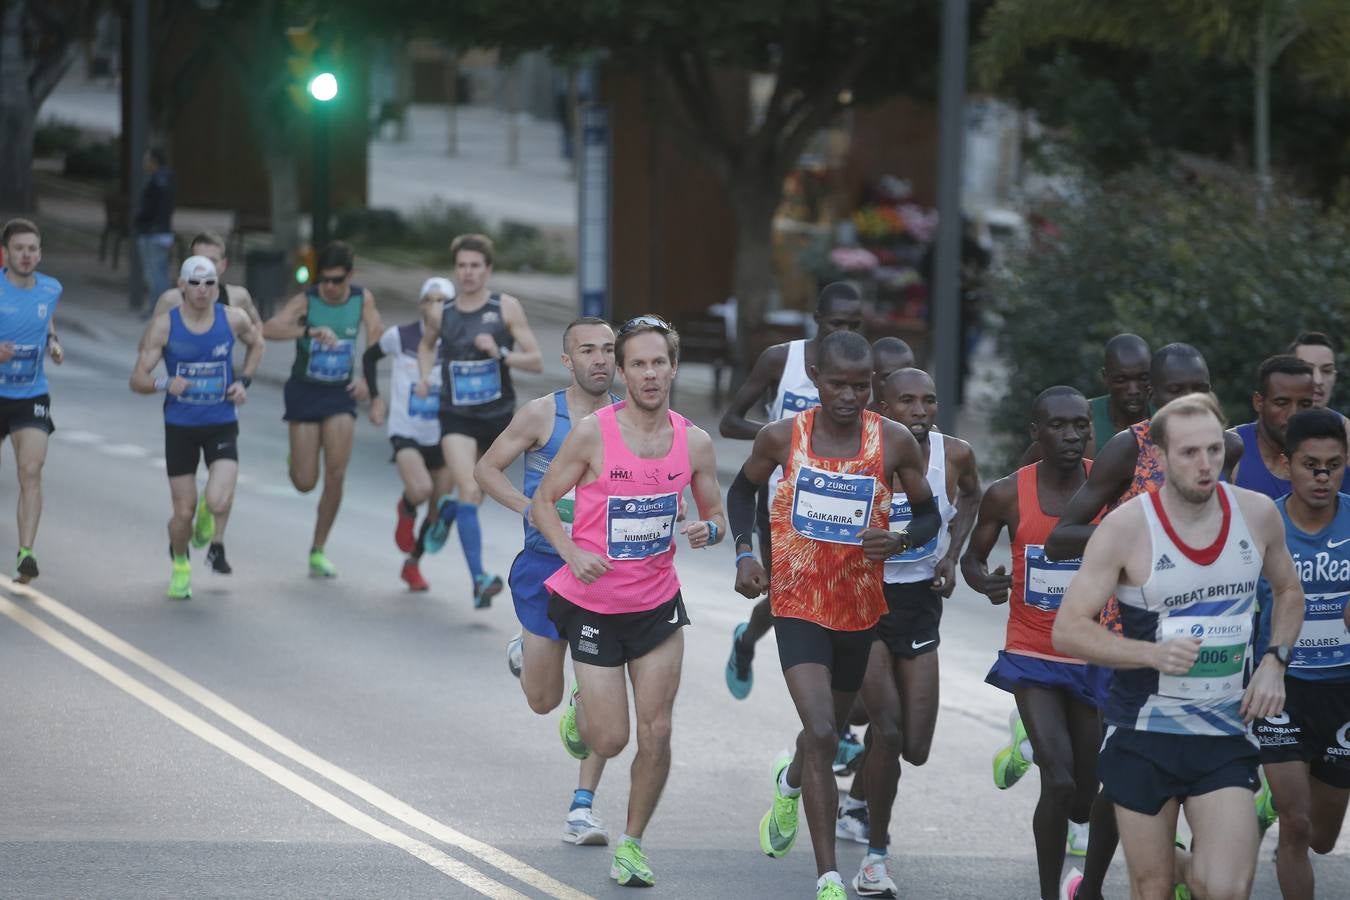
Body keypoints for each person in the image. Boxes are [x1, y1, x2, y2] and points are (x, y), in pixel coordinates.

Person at [1053, 393, 1304, 900]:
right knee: (1153, 887)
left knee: (1225, 888)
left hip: (1224, 727)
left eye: (1214, 450)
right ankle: (1172, 865)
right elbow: (1069, 629)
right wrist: (1149, 655)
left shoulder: (1256, 515)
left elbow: (1289, 591)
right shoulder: (1125, 528)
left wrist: (1275, 662)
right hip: (1143, 729)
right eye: (1189, 452)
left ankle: (1192, 867)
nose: (1205, 464)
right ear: (1160, 458)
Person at [727, 330, 940, 900]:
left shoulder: (893, 441)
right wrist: (747, 553)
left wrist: (897, 540)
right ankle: (828, 877)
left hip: (859, 608)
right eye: (838, 384)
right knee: (822, 730)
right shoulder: (782, 436)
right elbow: (741, 492)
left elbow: (928, 516)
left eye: (860, 385)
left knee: (824, 732)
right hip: (796, 602)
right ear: (816, 378)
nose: (849, 396)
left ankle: (790, 781)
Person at [529, 315, 726, 888]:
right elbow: (544, 501)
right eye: (636, 363)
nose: (648, 373)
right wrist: (569, 552)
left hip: (657, 604)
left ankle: (633, 843)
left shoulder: (694, 442)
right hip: (592, 604)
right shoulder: (593, 432)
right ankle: (584, 707)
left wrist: (707, 533)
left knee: (657, 731)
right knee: (610, 738)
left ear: (672, 368)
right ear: (621, 370)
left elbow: (716, 517)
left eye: (657, 362)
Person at [1042, 343, 1244, 900]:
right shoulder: (1126, 449)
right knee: (1127, 773)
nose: (1189, 401)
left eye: (1198, 388)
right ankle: (1102, 885)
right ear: (1152, 398)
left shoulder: (1227, 447)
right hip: (1130, 639)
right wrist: (1143, 537)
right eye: (1176, 392)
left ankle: (1188, 870)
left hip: (1208, 637)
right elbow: (1062, 537)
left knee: (1195, 762)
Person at [474, 316, 619, 847]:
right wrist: (529, 509)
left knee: (602, 702)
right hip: (543, 569)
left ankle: (583, 810)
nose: (600, 359)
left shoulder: (629, 421)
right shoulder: (541, 414)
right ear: (568, 360)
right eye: (588, 350)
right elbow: (487, 469)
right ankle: (531, 652)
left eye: (608, 350)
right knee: (542, 699)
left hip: (604, 576)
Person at [962, 386, 1103, 900]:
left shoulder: (1108, 488)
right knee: (1060, 782)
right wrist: (986, 582)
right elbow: (972, 561)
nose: (1071, 435)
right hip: (1032, 652)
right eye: (1059, 425)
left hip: (1094, 653)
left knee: (1087, 798)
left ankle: (1086, 882)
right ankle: (1049, 893)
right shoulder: (1007, 494)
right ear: (1035, 433)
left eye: (1081, 425)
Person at [852, 366, 979, 873]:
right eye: (907, 401)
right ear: (883, 407)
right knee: (886, 729)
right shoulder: (860, 453)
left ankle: (849, 782)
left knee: (916, 747)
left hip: (920, 603)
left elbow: (971, 494)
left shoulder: (955, 454)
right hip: (865, 599)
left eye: (928, 400)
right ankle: (875, 853)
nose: (920, 411)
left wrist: (950, 554)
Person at [718, 282, 865, 700]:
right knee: (788, 596)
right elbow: (730, 422)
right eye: (838, 323)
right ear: (817, 320)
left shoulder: (858, 370)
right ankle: (747, 643)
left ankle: (838, 712)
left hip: (841, 500)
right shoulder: (783, 359)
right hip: (781, 501)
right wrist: (787, 440)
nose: (845, 332)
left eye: (854, 324)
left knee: (836, 596)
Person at [1250, 408, 1350, 900]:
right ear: (1286, 464)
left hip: (1342, 693)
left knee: (1324, 839)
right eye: (1311, 464)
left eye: (1333, 464)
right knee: (1296, 824)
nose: (1323, 476)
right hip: (1280, 690)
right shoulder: (1262, 523)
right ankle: (1281, 803)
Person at [417, 233, 543, 608]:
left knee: (472, 496)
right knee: (471, 487)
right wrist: (426, 377)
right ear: (455, 270)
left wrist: (501, 352)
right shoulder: (442, 312)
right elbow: (426, 346)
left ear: (487, 270)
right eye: (462, 266)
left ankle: (449, 511)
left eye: (475, 266)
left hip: (497, 418)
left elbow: (535, 360)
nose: (468, 273)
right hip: (455, 415)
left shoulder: (505, 308)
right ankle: (479, 580)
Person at [130, 256, 262, 598]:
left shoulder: (233, 319)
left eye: (210, 284)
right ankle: (180, 563)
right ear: (182, 286)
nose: (203, 291)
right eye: (196, 283)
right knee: (182, 511)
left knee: (218, 502)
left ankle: (208, 518)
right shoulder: (165, 325)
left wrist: (244, 381)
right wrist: (164, 384)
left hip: (221, 424)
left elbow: (257, 343)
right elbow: (137, 379)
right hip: (180, 428)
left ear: (218, 287)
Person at [262, 241, 383, 577]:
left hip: (340, 394)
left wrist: (367, 382)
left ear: (350, 276)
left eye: (336, 280)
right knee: (304, 481)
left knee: (336, 472)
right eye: (324, 280)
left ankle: (318, 548)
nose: (329, 287)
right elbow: (267, 328)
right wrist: (307, 330)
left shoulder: (362, 299)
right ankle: (296, 459)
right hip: (305, 390)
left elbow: (376, 337)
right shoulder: (308, 299)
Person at [362, 277, 454, 591]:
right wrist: (375, 398)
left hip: (443, 435)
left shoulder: (458, 343)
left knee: (439, 507)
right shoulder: (400, 336)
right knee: (420, 489)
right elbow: (369, 357)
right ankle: (406, 507)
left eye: (443, 301)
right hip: (406, 431)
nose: (436, 306)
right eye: (430, 299)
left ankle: (413, 563)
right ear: (421, 305)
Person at [0, 219, 63, 583]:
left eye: (32, 249)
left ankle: (26, 552)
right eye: (19, 249)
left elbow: (44, 318)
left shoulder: (51, 289)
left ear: (40, 253)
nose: (26, 255)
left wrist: (53, 342)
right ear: (6, 253)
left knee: (31, 470)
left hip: (31, 394)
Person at [1229, 355, 1315, 499]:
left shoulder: (1328, 455)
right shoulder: (1229, 449)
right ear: (1258, 402)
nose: (1294, 414)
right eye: (1282, 403)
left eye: (1305, 405)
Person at [149, 232, 263, 329]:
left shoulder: (237, 297)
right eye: (201, 259)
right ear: (190, 263)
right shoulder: (171, 299)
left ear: (223, 265)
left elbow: (258, 330)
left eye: (212, 261)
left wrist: (252, 352)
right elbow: (148, 344)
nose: (206, 266)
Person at [134, 148, 175, 311]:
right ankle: (161, 307)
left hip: (152, 232)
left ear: (154, 161)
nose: (145, 163)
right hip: (163, 231)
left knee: (154, 274)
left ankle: (158, 309)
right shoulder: (168, 180)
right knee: (160, 272)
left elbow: (150, 209)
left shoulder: (156, 182)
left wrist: (139, 220)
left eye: (147, 159)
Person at [1287, 332, 1338, 411]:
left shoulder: (1342, 422)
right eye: (1307, 370)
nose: (1318, 381)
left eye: (1326, 371)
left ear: (1334, 378)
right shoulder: (1267, 422)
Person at [866, 337, 916, 414]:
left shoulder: (920, 419)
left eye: (906, 378)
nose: (899, 385)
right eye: (889, 378)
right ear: (870, 377)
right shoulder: (860, 423)